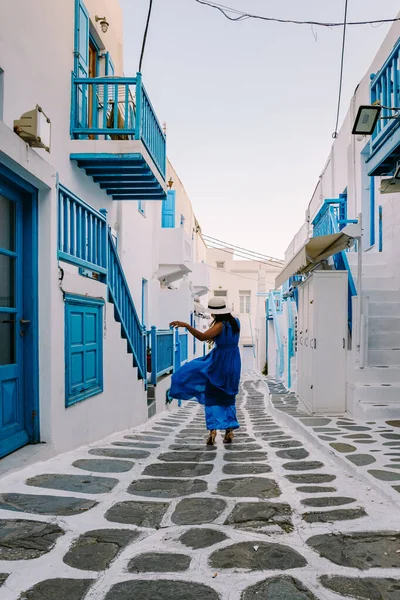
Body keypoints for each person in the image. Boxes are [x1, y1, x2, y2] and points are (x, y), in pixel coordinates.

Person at [169, 297, 241, 446]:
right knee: (228, 394)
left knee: (212, 394)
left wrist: (186, 325)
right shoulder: (236, 323)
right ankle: (229, 430)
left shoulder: (220, 325)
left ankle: (213, 430)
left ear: (216, 313)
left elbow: (202, 337)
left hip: (220, 361)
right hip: (234, 361)